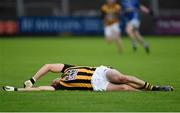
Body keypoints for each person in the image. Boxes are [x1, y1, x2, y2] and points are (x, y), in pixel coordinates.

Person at [3, 63, 173, 92]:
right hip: (96, 86)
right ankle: (146, 91)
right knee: (125, 88)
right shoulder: (59, 86)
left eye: (52, 79)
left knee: (121, 78)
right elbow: (42, 89)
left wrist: (32, 79)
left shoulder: (66, 69)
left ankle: (153, 87)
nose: (52, 81)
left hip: (99, 72)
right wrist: (20, 89)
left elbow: (48, 66)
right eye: (52, 83)